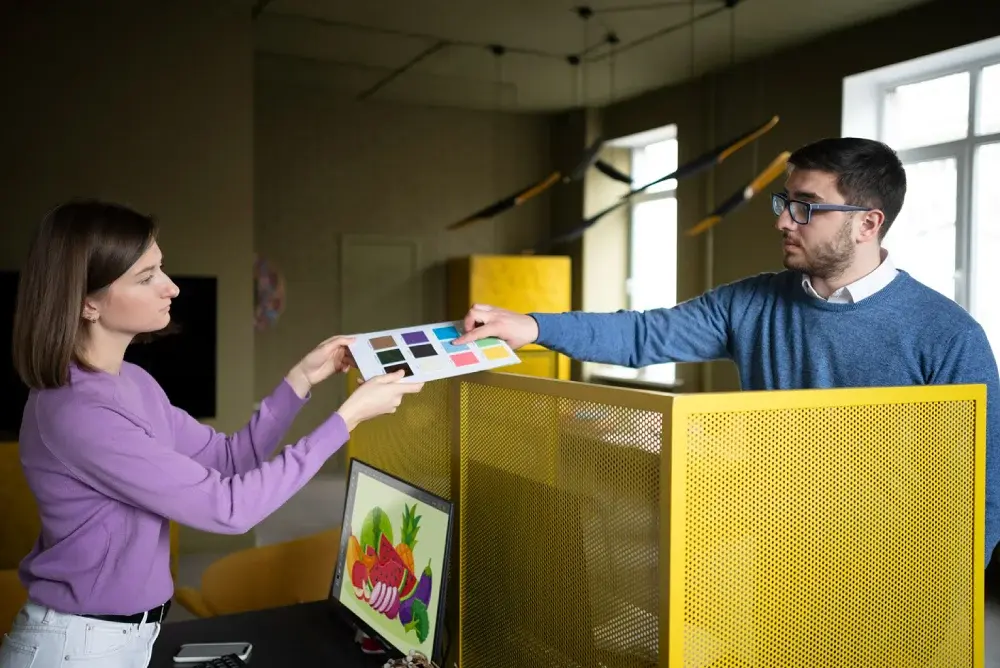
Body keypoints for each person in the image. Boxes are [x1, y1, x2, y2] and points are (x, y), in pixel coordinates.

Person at [455, 136, 999, 572]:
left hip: (896, 575)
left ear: (867, 222)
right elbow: (644, 334)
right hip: (775, 558)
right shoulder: (750, 303)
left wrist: (943, 587)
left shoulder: (947, 334)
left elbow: (987, 487)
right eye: (785, 203)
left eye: (806, 208)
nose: (784, 220)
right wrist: (530, 325)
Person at [0, 199, 423, 668]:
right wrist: (347, 420)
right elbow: (231, 508)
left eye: (162, 269)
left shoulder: (133, 382)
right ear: (87, 302)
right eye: (147, 277)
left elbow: (228, 460)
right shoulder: (78, 412)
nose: (172, 287)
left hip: (124, 638)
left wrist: (299, 381)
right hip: (75, 649)